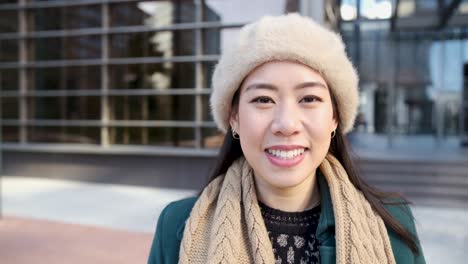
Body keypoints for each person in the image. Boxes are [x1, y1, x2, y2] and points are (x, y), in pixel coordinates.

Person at [148, 13, 425, 264]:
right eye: (263, 99)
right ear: (234, 117)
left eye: (309, 98)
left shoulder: (393, 227)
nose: (286, 124)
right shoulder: (177, 227)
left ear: (334, 118)